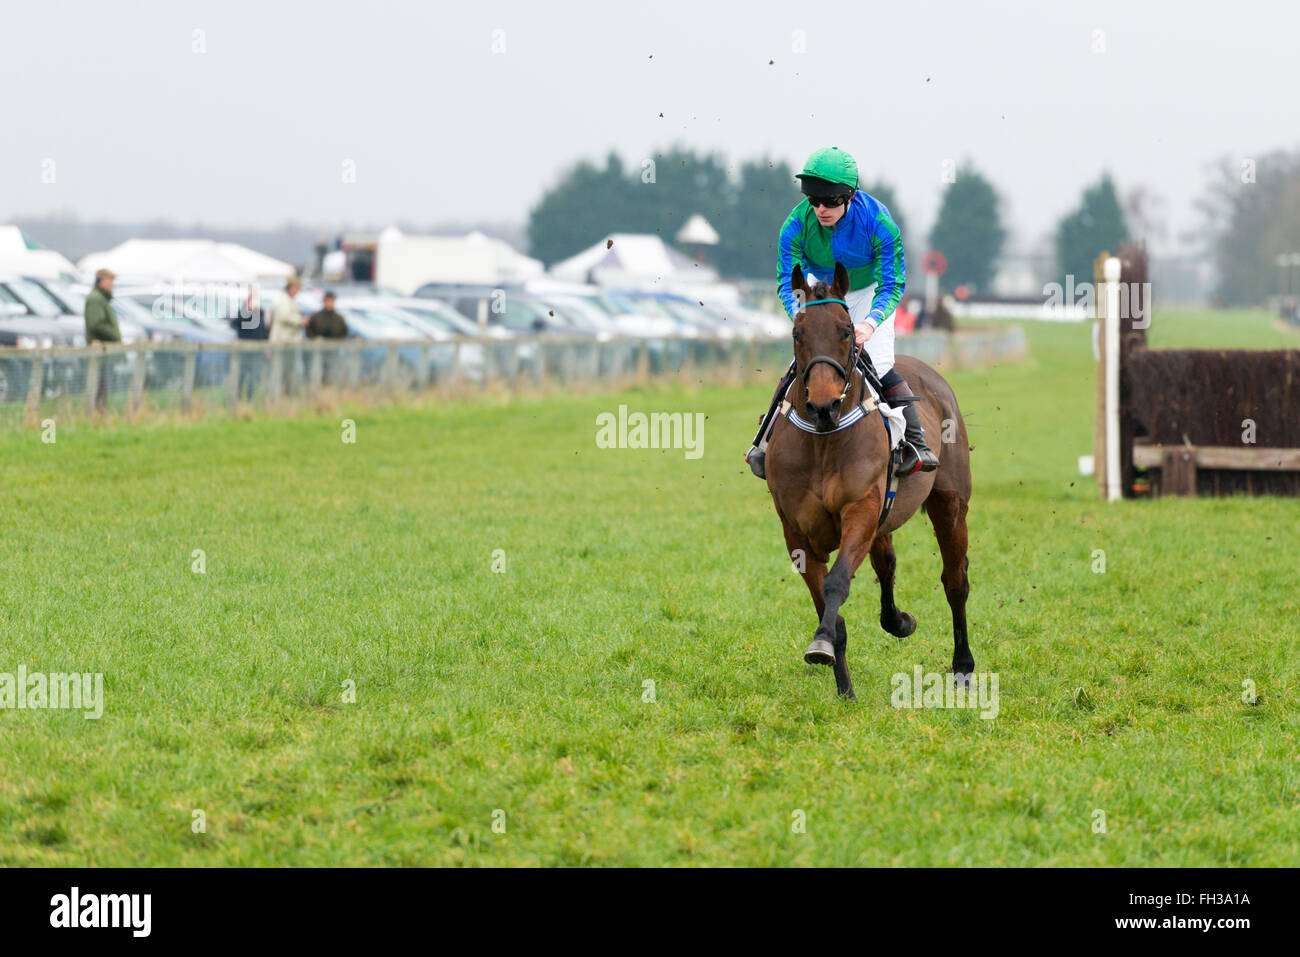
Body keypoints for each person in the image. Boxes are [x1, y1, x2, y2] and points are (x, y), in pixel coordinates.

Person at [745, 146, 939, 479]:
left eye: (830, 201)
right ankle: (763, 442)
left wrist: (869, 323)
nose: (821, 208)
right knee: (802, 363)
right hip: (818, 289)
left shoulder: (879, 222)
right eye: (814, 200)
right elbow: (786, 279)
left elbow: (892, 284)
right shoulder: (795, 224)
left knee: (877, 364)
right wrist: (800, 312)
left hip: (868, 293)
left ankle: (914, 442)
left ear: (849, 196)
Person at [84, 268, 121, 412]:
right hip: (99, 350)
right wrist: (113, 334)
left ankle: (100, 412)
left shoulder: (102, 298)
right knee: (98, 384)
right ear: (101, 281)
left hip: (104, 351)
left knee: (103, 384)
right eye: (110, 280)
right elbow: (96, 324)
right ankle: (96, 413)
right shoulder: (96, 299)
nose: (112, 284)